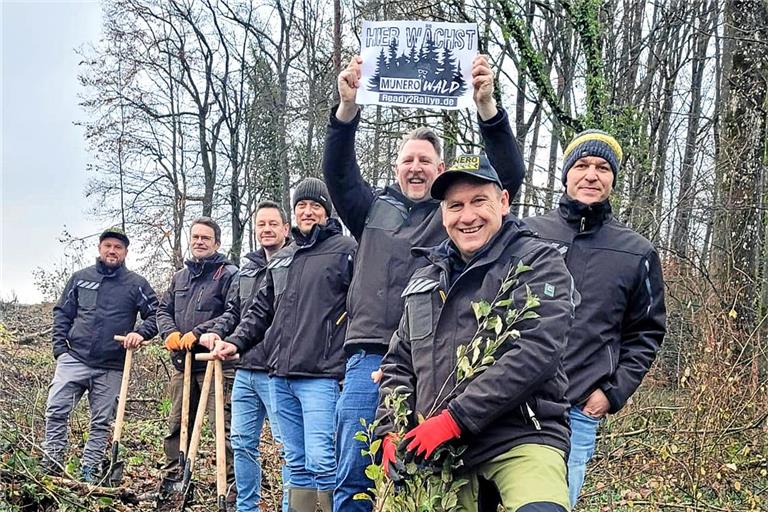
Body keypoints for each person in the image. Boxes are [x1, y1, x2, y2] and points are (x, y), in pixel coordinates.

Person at [323, 53, 526, 511]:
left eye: (426, 161)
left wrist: (487, 108)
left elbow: (507, 177)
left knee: (428, 477)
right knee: (355, 474)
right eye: (408, 160)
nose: (416, 167)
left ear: (440, 170)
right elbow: (337, 172)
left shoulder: (454, 215)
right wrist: (347, 109)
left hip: (436, 361)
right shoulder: (370, 209)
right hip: (368, 357)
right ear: (397, 167)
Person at [376, 155, 574, 512]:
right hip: (440, 453)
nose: (467, 216)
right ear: (443, 214)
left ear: (503, 201)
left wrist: (455, 419)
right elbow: (398, 364)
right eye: (455, 206)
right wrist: (391, 430)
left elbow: (536, 352)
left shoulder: (539, 263)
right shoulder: (424, 280)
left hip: (520, 435)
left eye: (478, 201)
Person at [524, 130, 666, 506]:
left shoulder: (637, 253)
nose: (591, 175)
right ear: (566, 173)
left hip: (577, 412)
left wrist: (612, 393)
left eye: (603, 168)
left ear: (613, 180)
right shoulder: (527, 235)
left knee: (553, 504)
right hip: (510, 402)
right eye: (582, 165)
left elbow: (647, 333)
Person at [205, 178, 357, 512]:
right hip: (279, 375)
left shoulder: (345, 249)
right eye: (301, 205)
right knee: (297, 461)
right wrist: (235, 343)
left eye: (315, 205)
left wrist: (350, 359)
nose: (307, 211)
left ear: (326, 211)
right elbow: (261, 310)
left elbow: (360, 307)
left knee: (322, 459)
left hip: (321, 375)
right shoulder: (284, 257)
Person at [43, 227, 158, 483]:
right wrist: (60, 350)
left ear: (126, 252)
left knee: (101, 421)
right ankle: (51, 463)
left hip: (112, 365)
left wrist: (140, 333)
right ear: (99, 248)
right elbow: (63, 313)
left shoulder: (136, 284)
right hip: (74, 358)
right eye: (108, 246)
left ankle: (89, 471)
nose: (112, 251)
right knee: (56, 410)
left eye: (118, 247)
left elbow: (156, 315)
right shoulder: (80, 278)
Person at [206, 201, 291, 512]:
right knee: (241, 443)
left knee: (286, 447)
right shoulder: (248, 269)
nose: (266, 229)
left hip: (279, 371)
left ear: (285, 228)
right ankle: (247, 507)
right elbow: (234, 313)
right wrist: (217, 332)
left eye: (272, 224)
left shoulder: (295, 262)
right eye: (261, 224)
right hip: (245, 369)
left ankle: (288, 506)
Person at [156, 217, 239, 495]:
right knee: (177, 424)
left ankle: (229, 487)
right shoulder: (180, 276)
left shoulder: (228, 274)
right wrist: (169, 332)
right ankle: (175, 483)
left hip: (215, 363)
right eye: (196, 238)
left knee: (224, 429)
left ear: (217, 242)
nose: (200, 242)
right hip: (183, 364)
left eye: (206, 238)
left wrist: (198, 331)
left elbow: (232, 313)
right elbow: (162, 310)